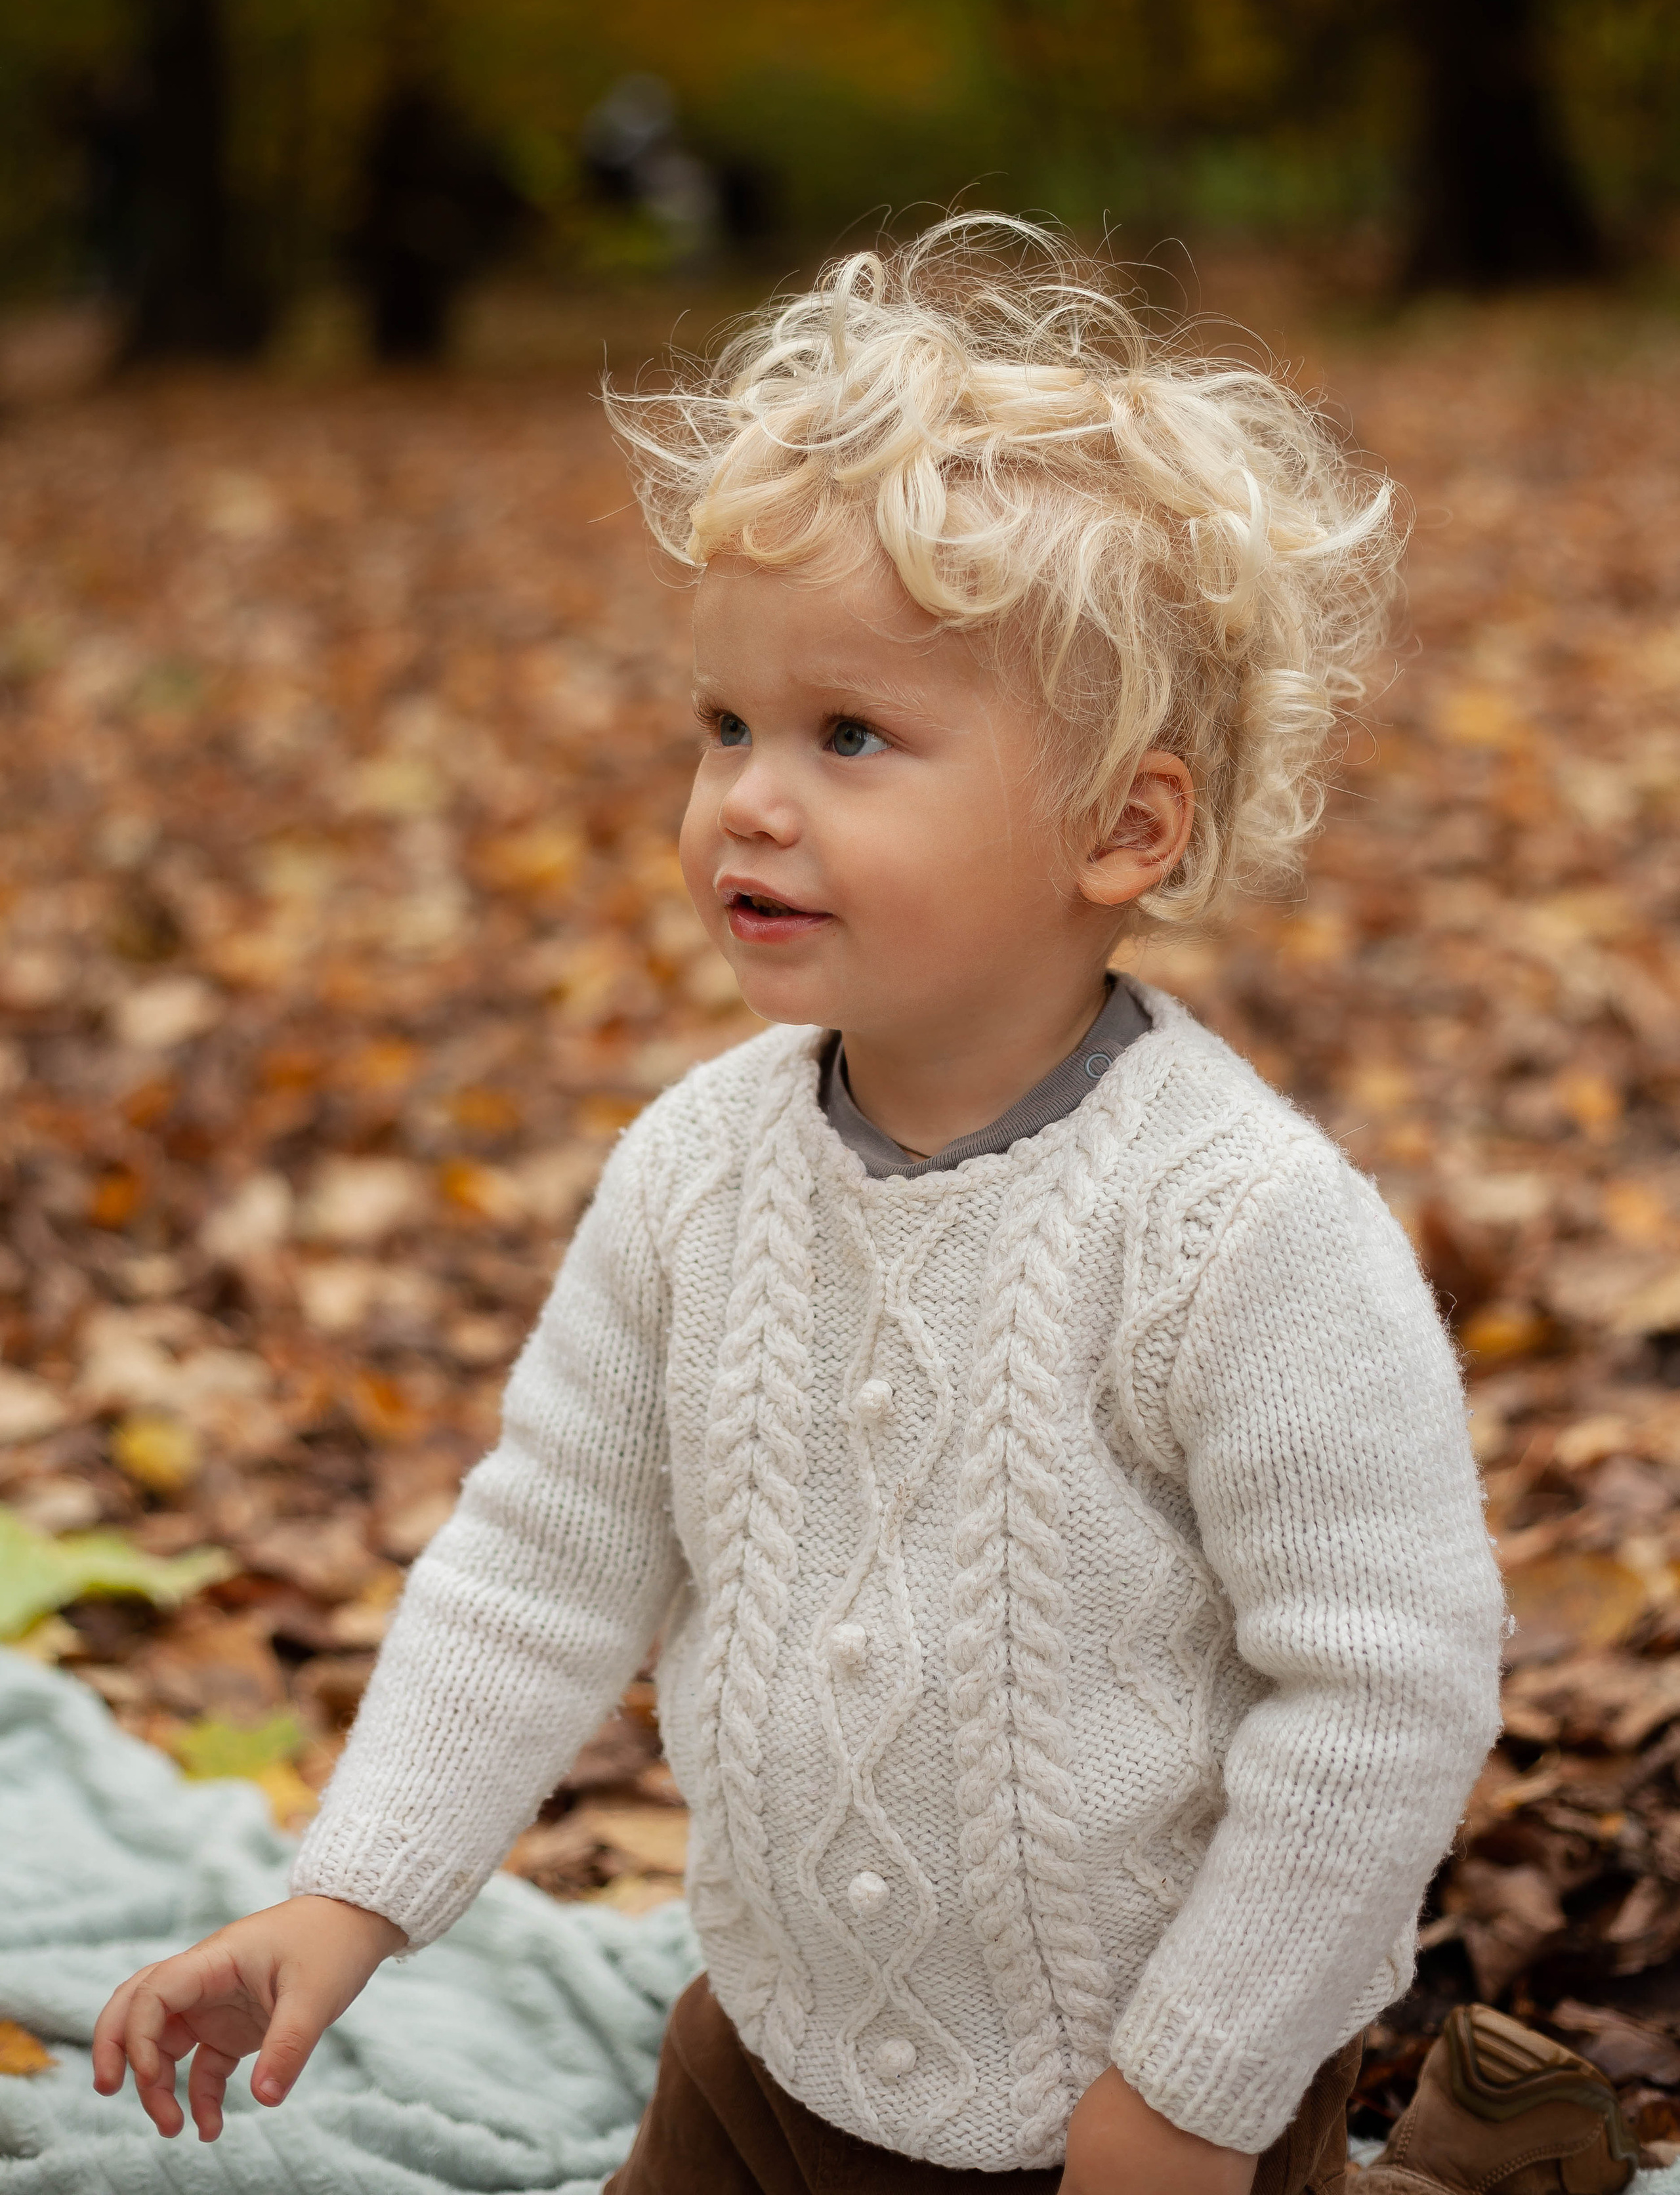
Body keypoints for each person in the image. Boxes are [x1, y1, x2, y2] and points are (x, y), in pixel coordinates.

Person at [96, 215, 1561, 2194]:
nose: (746, 802)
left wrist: (1196, 2090)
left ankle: (1465, 2157)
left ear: (1125, 826)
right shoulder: (696, 1174)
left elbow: (1385, 1689)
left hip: (1134, 2109)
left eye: (848, 736)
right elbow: (542, 1562)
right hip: (769, 2060)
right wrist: (344, 1902)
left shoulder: (1245, 1234)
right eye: (726, 727)